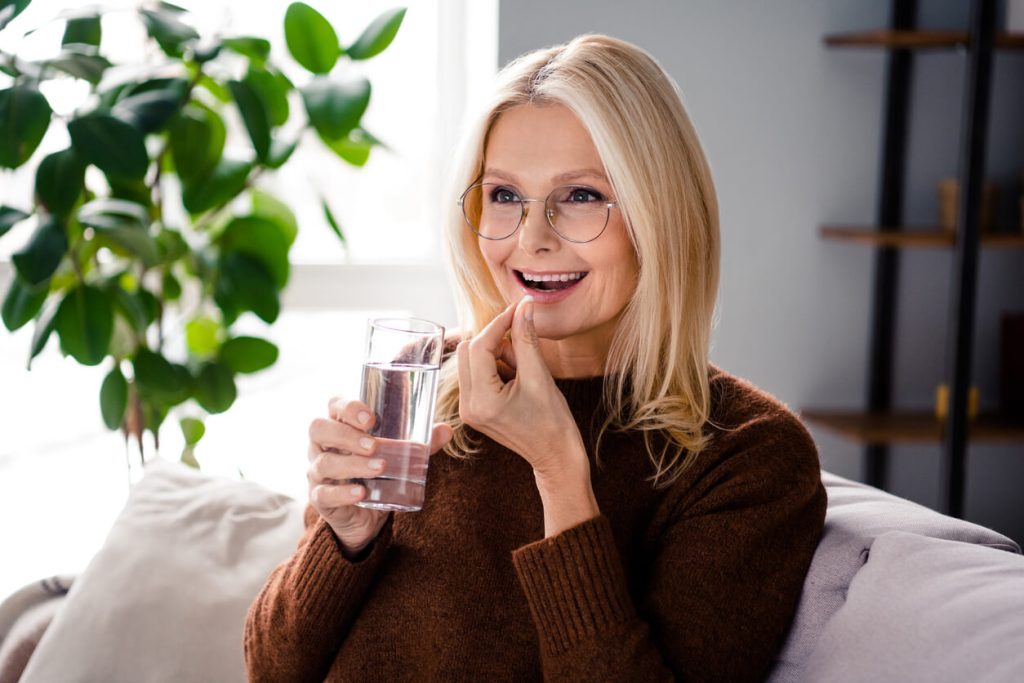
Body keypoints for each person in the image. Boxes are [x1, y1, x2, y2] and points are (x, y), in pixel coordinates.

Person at [245, 33, 826, 683]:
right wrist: (345, 538)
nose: (531, 238)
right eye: (504, 195)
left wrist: (558, 470)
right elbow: (271, 669)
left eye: (580, 196)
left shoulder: (748, 454)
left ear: (660, 213)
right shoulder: (421, 377)